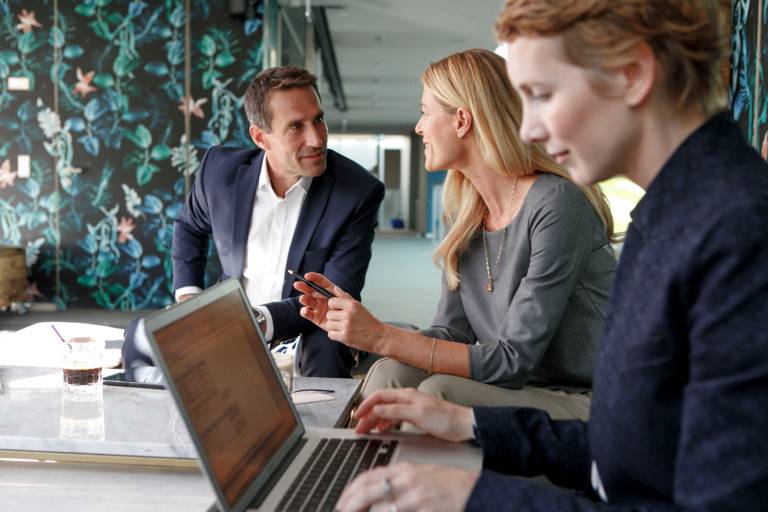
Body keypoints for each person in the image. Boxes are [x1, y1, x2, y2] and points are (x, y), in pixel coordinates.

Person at [331, 1, 768, 511]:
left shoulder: (736, 233)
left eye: (542, 95)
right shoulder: (669, 214)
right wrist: (471, 423)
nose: (530, 129)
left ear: (631, 76)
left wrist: (478, 496)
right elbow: (633, 448)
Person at [295, 49, 616, 420]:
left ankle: (399, 478)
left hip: (590, 396)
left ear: (462, 120)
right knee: (390, 373)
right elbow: (453, 334)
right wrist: (357, 330)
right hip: (522, 386)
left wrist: (382, 335)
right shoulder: (466, 214)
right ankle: (359, 475)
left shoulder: (556, 204)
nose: (419, 127)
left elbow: (513, 359)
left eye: (425, 112)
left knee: (441, 392)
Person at [122, 66, 384, 378]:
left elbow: (334, 294)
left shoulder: (356, 192)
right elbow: (189, 227)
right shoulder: (220, 171)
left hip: (305, 323)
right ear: (260, 137)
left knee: (326, 351)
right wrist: (189, 298)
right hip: (228, 314)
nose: (316, 139)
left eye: (318, 120)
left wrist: (256, 320)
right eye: (295, 127)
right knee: (140, 334)